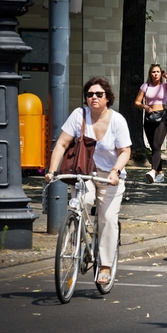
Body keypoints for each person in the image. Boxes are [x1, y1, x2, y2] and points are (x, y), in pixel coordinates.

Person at [45, 77, 132, 285]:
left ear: (107, 98)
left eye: (98, 94)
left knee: (108, 219)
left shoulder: (117, 120)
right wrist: (51, 170)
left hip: (110, 176)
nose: (93, 97)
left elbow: (125, 151)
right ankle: (78, 237)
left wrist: (115, 171)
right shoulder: (79, 115)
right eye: (90, 94)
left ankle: (105, 265)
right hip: (85, 172)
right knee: (82, 202)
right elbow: (62, 144)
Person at [134, 63, 167, 183]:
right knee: (153, 147)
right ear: (150, 74)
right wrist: (145, 107)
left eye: (158, 72)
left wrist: (166, 75)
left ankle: (152, 171)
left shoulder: (165, 86)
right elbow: (136, 102)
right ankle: (160, 173)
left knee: (157, 145)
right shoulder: (145, 86)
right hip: (149, 117)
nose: (155, 74)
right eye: (153, 72)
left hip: (162, 117)